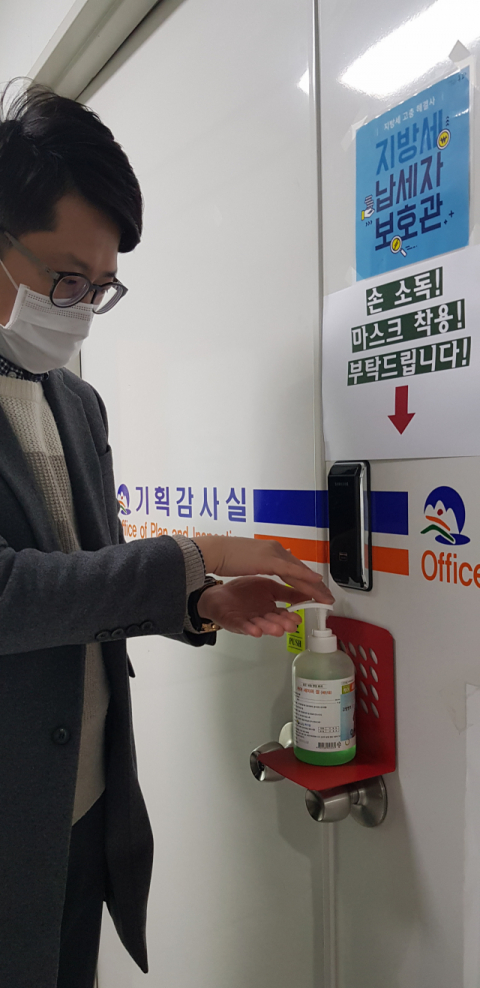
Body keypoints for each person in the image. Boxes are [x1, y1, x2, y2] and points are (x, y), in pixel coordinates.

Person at [0, 82, 334, 988]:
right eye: (66, 279)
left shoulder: (76, 402)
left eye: (101, 288)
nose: (79, 307)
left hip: (84, 808)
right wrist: (204, 552)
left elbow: (92, 576)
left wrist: (200, 601)